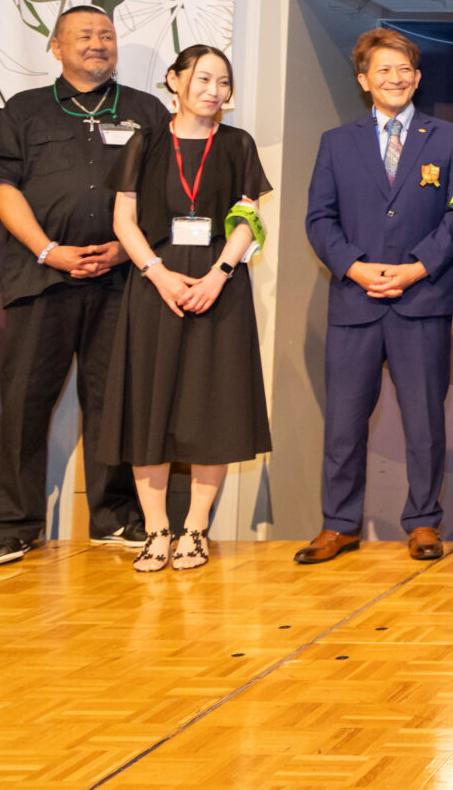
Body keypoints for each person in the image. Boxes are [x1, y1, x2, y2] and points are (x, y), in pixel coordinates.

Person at [0, 4, 161, 565]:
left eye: (106, 34)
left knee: (114, 403)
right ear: (55, 47)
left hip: (121, 278)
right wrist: (47, 250)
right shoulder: (24, 109)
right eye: (83, 35)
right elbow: (0, 187)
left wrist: (125, 247)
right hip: (41, 277)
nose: (97, 43)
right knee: (25, 403)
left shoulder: (146, 110)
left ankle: (116, 517)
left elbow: (165, 193)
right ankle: (11, 526)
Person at [299, 29, 453, 565]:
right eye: (383, 70)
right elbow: (319, 219)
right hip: (356, 301)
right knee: (344, 423)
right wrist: (355, 267)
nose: (394, 78)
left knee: (425, 421)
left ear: (417, 78)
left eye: (403, 70)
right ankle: (338, 524)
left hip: (423, 299)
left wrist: (417, 268)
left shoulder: (449, 138)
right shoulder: (336, 142)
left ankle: (423, 522)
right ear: (363, 80)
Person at [102, 46, 272, 572]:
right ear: (174, 81)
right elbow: (123, 221)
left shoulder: (238, 144)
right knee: (148, 407)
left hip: (220, 288)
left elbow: (248, 220)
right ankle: (156, 531)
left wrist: (220, 275)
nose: (214, 90)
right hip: (157, 285)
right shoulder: (146, 141)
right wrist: (157, 273)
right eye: (203, 79)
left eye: (223, 82)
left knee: (212, 407)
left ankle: (196, 529)